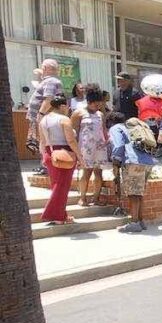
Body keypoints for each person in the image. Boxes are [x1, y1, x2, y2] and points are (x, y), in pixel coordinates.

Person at [108, 111, 158, 233]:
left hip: (133, 161)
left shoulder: (115, 128)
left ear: (110, 122)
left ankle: (134, 222)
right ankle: (140, 221)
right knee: (139, 193)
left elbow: (118, 146)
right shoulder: (131, 128)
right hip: (147, 162)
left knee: (133, 193)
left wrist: (116, 161)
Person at [38, 94, 83, 224]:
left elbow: (42, 141)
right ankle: (54, 215)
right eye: (67, 106)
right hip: (64, 154)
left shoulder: (43, 120)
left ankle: (62, 215)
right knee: (62, 185)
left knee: (57, 185)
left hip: (49, 153)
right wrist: (80, 157)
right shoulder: (64, 119)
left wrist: (43, 156)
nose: (68, 108)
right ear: (63, 106)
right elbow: (71, 140)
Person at [70, 84, 108, 207]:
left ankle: (96, 198)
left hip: (99, 147)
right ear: (89, 102)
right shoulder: (78, 113)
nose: (97, 107)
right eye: (95, 104)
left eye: (99, 104)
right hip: (85, 147)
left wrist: (107, 141)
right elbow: (73, 132)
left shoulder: (100, 114)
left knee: (98, 172)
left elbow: (104, 130)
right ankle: (82, 198)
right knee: (86, 172)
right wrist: (74, 150)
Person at [26, 58, 62, 164]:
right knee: (41, 141)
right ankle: (44, 164)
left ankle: (46, 164)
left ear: (45, 68)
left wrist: (40, 114)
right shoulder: (50, 80)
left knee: (43, 141)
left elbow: (49, 98)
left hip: (43, 117)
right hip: (43, 116)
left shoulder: (51, 81)